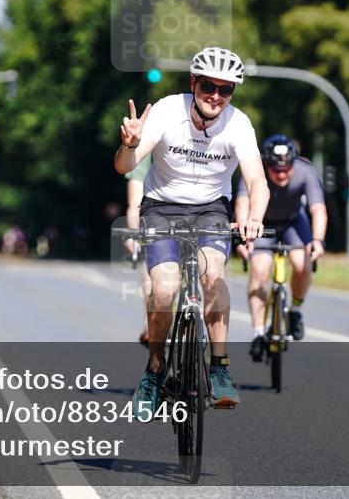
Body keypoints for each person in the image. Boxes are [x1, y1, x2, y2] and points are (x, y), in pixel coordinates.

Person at [115, 46, 269, 416]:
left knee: (213, 274)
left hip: (211, 209)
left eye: (225, 89)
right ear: (193, 83)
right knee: (165, 289)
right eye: (208, 86)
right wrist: (129, 144)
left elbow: (258, 182)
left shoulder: (238, 124)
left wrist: (254, 217)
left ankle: (219, 368)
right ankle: (154, 371)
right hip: (161, 207)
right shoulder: (167, 111)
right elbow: (123, 166)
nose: (215, 96)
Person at [235, 135, 327, 360]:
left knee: (302, 264)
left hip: (293, 222)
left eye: (287, 169)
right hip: (261, 223)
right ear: (266, 164)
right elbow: (242, 203)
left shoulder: (306, 171)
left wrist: (317, 240)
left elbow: (318, 208)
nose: (282, 174)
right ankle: (258, 332)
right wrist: (244, 238)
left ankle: (295, 311)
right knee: (260, 270)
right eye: (276, 170)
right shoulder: (254, 170)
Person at [123, 156, 153, 346]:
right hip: (155, 217)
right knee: (150, 268)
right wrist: (134, 233)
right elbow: (135, 202)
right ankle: (151, 324)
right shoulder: (147, 152)